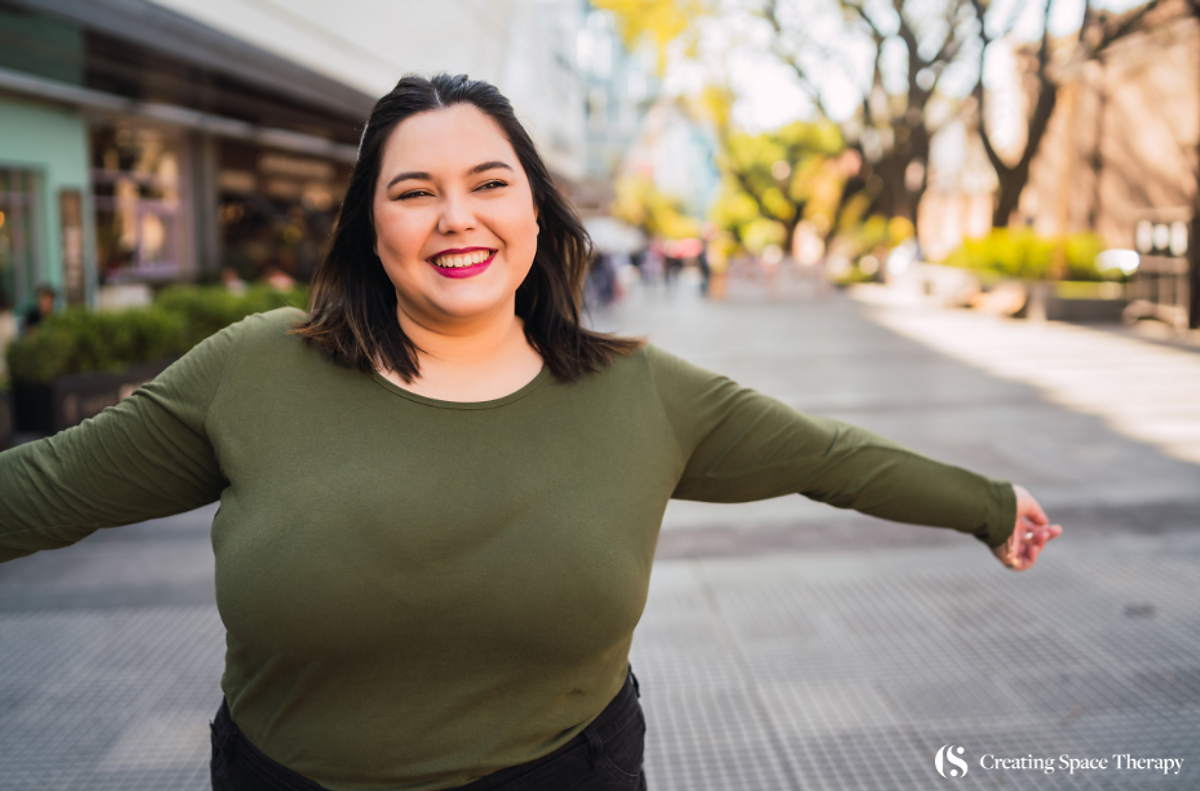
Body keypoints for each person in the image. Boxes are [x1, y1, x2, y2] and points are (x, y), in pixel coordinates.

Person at [0, 74, 1062, 791]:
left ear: (539, 214)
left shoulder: (644, 393)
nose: (456, 215)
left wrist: (985, 505)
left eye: (488, 183)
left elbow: (830, 457)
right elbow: (40, 490)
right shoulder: (255, 369)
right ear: (373, 230)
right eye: (414, 191)